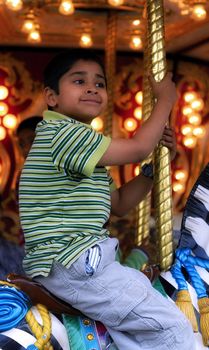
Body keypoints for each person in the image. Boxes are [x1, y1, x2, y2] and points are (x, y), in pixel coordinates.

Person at [19, 50, 195, 350]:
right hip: (73, 260)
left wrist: (153, 170)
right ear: (52, 97)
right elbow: (139, 147)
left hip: (79, 261)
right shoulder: (64, 135)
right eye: (79, 81)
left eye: (99, 84)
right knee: (172, 326)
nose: (92, 88)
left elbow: (121, 203)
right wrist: (166, 100)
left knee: (136, 321)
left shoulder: (82, 150)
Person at [0, 116, 42, 279]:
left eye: (32, 141)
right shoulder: (24, 176)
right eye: (22, 145)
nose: (25, 150)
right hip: (31, 252)